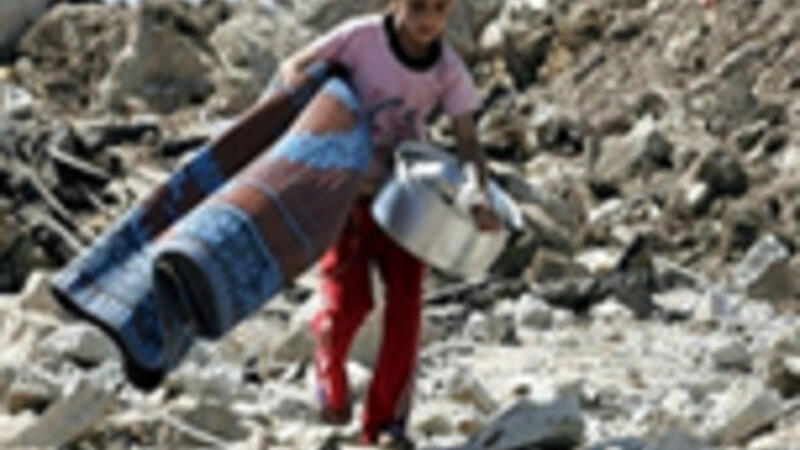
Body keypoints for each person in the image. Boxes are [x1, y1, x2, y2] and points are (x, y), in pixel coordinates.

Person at [279, 0, 499, 447]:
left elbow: (467, 140)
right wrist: (319, 129)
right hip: (350, 198)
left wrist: (477, 193)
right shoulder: (360, 39)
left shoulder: (447, 68)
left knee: (406, 309)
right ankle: (328, 363)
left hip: (409, 203)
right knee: (350, 302)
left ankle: (384, 425)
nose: (428, 20)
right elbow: (294, 68)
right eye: (418, 7)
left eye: (439, 9)